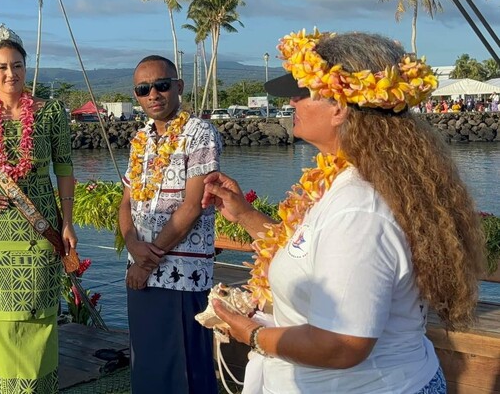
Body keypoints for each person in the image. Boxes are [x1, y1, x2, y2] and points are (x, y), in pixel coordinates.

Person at [204, 30, 483, 393]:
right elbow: (313, 252)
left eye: (301, 92)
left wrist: (255, 335)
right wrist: (245, 215)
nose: (291, 103)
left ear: (338, 107)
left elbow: (343, 344)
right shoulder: (351, 182)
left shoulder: (359, 209)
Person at [0, 24, 76, 393]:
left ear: (26, 67)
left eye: (18, 65)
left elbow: (65, 168)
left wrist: (67, 222)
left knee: (39, 316)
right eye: (3, 66)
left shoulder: (51, 112)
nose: (12, 74)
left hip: (39, 230)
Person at [118, 55, 221, 394]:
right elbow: (126, 203)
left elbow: (192, 206)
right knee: (148, 365)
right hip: (141, 271)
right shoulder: (140, 139)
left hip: (183, 276)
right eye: (143, 89)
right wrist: (133, 246)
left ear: (178, 87)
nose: (153, 94)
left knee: (186, 370)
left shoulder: (200, 133)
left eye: (161, 85)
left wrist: (148, 259)